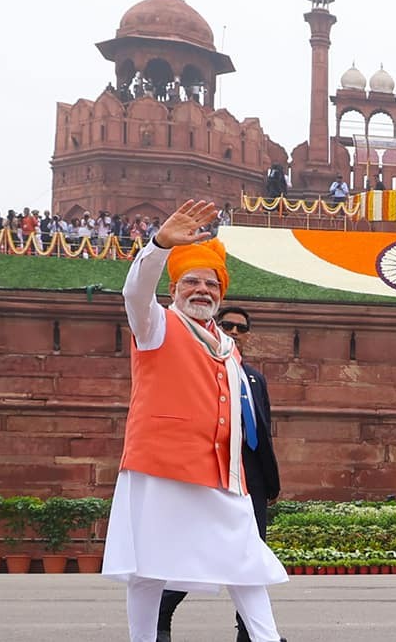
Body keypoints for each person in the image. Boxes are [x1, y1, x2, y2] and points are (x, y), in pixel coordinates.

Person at [102, 200, 288, 642]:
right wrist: (160, 244)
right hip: (162, 467)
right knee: (149, 569)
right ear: (175, 289)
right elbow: (134, 293)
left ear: (221, 293)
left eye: (211, 283)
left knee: (247, 563)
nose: (202, 290)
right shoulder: (157, 326)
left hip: (223, 475)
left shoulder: (228, 347)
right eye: (191, 282)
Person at [159, 304, 282, 642]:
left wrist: (270, 482)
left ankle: (251, 633)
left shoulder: (254, 377)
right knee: (199, 548)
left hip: (251, 477)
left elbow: (262, 430)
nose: (235, 332)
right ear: (215, 325)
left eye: (242, 328)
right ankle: (161, 614)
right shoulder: (201, 370)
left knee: (251, 554)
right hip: (213, 470)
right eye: (228, 324)